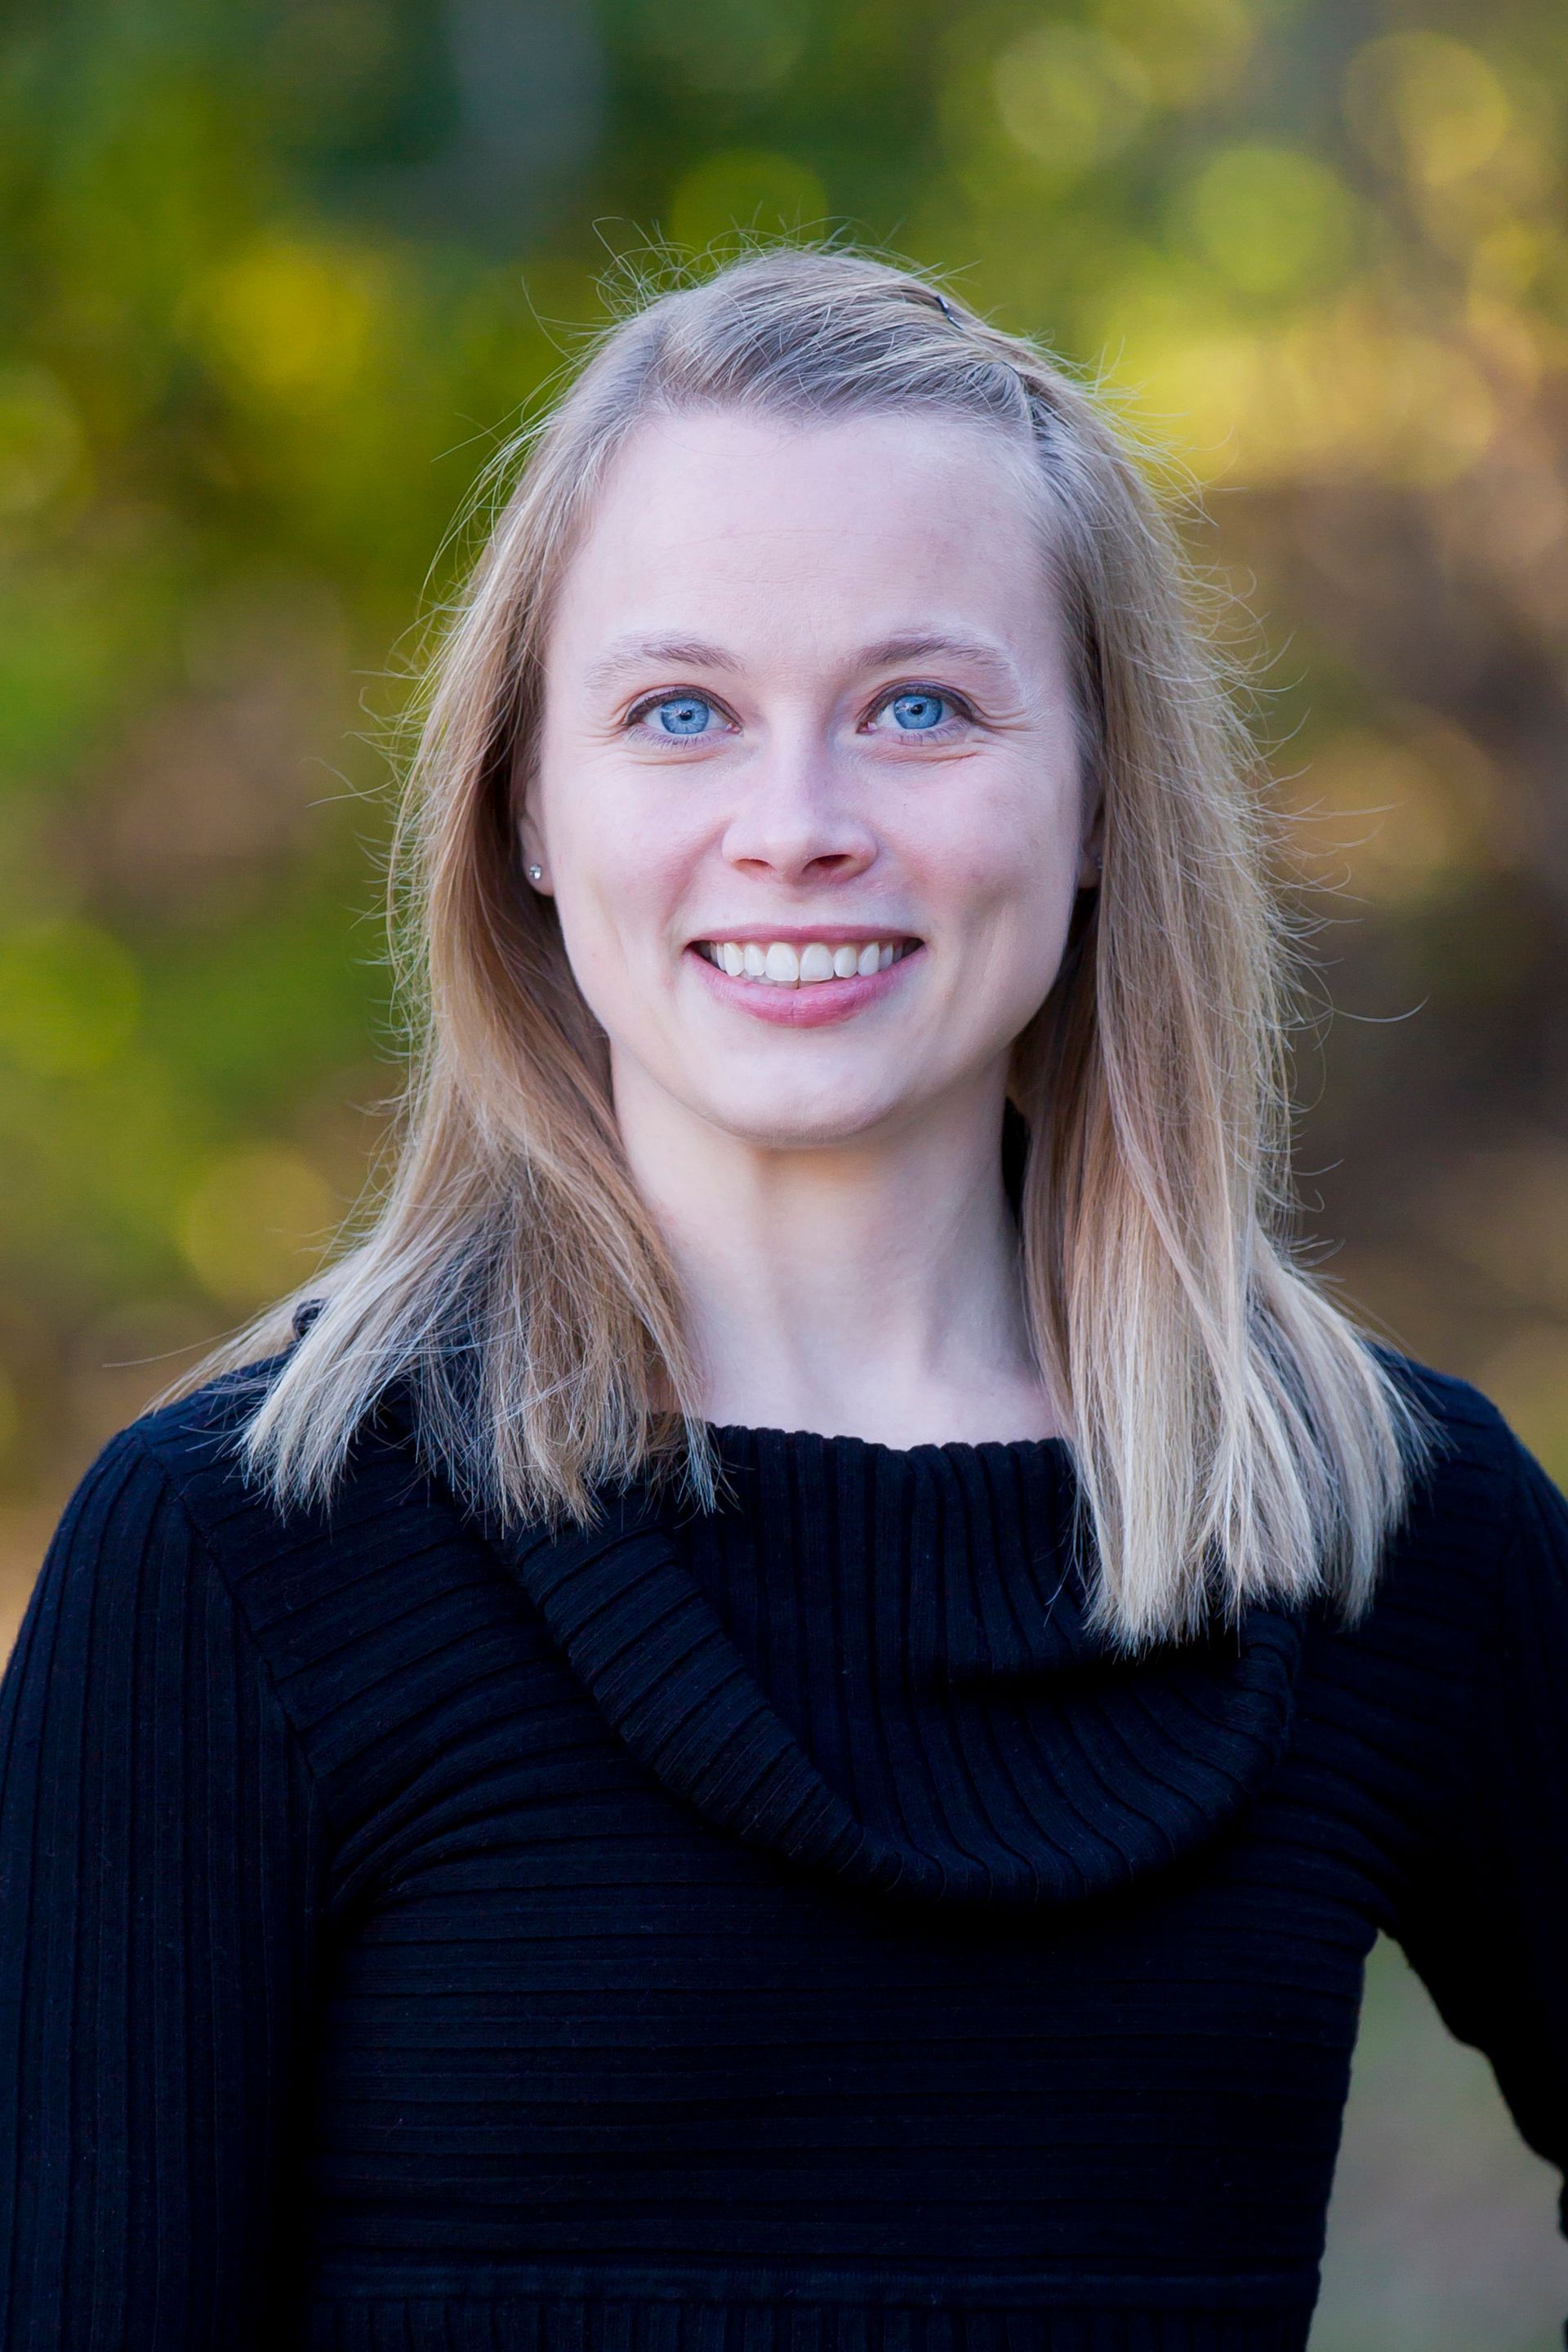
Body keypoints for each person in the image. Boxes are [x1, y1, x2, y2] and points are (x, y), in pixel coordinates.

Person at [1, 245, 1564, 2352]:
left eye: (920, 707)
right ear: (527, 813)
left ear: (1099, 795)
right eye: (680, 713)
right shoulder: (244, 1559)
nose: (798, 827)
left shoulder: (1384, 1522)